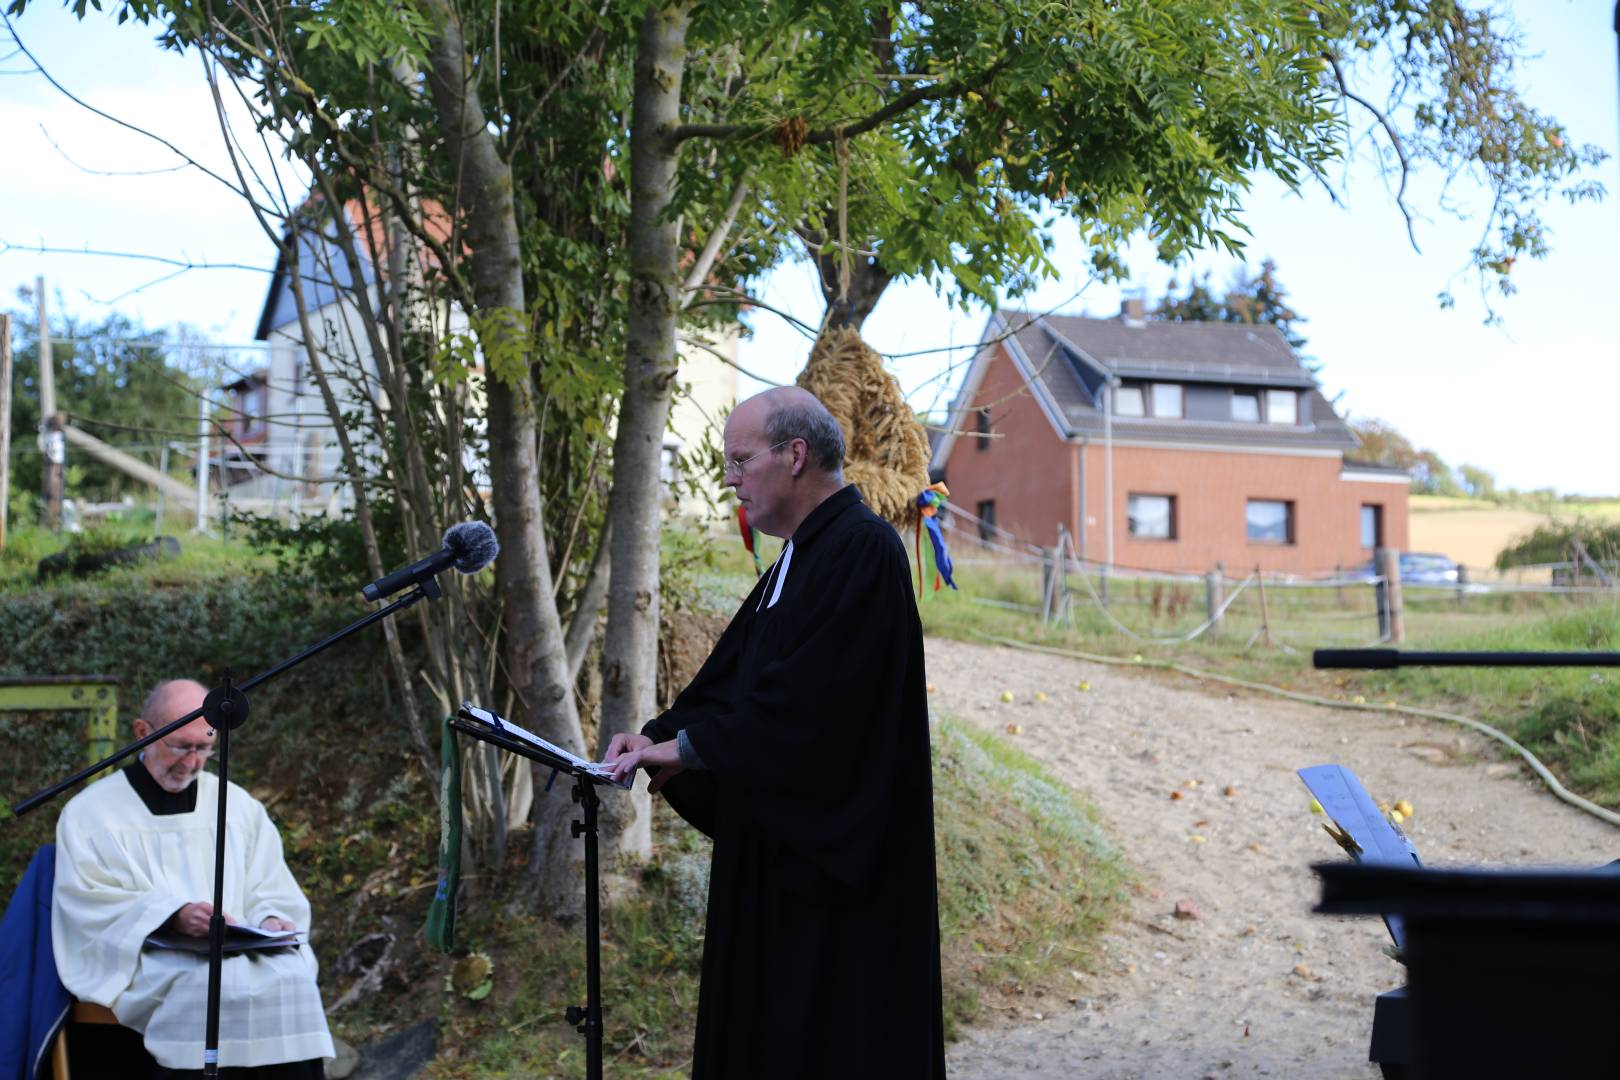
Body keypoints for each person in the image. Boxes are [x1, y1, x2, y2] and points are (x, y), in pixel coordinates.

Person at [606, 386, 945, 1079]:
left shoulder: (863, 551)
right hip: (776, 871)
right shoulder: (799, 556)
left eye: (739, 460)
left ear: (795, 456)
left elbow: (814, 706)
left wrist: (695, 749)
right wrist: (658, 738)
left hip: (835, 886)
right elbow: (734, 683)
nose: (729, 478)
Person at [52, 679, 334, 1078]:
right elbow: (88, 904)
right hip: (149, 958)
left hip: (237, 951)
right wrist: (173, 914)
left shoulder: (236, 805)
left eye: (203, 749)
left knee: (292, 979)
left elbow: (269, 885)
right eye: (180, 746)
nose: (190, 762)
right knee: (205, 987)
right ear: (142, 734)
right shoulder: (91, 814)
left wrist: (270, 917)